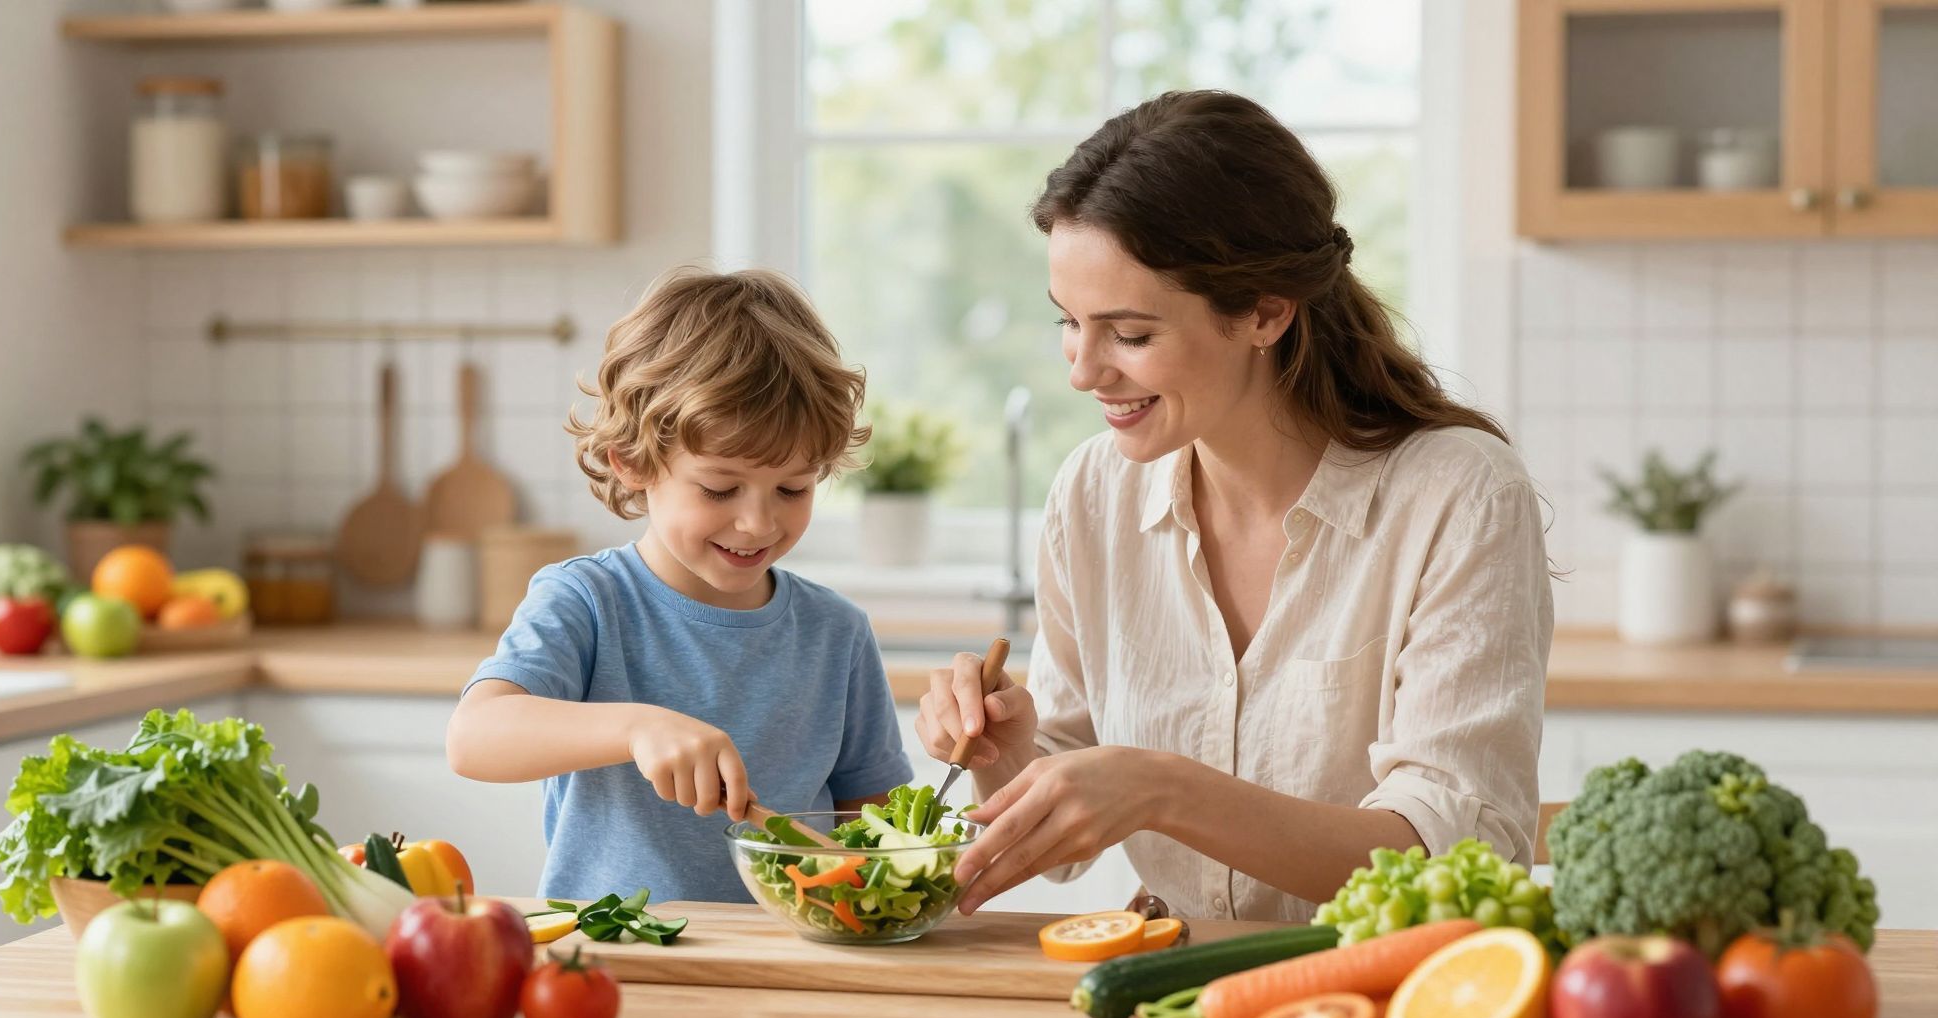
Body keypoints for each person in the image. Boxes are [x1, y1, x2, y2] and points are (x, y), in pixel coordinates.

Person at [919, 90, 1552, 920]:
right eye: (1070, 323)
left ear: (1264, 312)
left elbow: (1453, 849)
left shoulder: (1457, 496)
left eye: (1131, 334)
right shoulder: (1093, 492)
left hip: (1388, 1002)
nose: (1083, 371)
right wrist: (1009, 751)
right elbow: (1071, 783)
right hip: (1172, 986)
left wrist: (1163, 790)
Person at [448, 266, 913, 904]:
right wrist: (636, 728)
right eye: (720, 489)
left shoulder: (837, 634)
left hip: (791, 966)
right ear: (633, 462)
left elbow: (871, 821)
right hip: (622, 962)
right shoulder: (586, 602)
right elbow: (475, 739)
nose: (758, 522)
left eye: (793, 488)